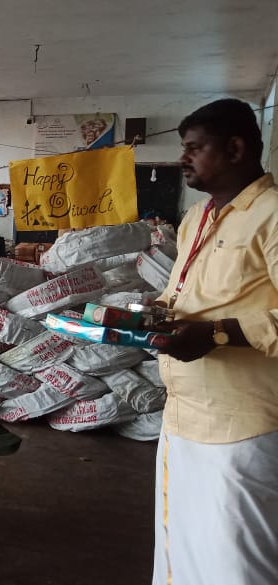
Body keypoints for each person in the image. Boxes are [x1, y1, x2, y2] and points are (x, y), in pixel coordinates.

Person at [151, 98, 278, 585]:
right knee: (181, 543)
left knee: (236, 558)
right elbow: (181, 296)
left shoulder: (270, 214)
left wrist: (220, 333)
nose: (184, 159)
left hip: (241, 425)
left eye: (194, 148)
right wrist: (144, 317)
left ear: (236, 148)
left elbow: (220, 321)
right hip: (183, 414)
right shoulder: (196, 219)